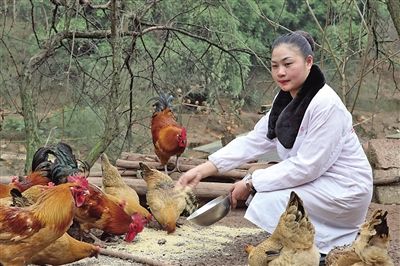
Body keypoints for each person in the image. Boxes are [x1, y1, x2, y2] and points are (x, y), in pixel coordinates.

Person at [177, 31, 373, 256]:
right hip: (320, 181)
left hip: (345, 189)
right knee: (267, 189)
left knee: (270, 196)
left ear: (309, 62)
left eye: (288, 64)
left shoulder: (326, 105)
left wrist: (251, 182)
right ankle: (305, 247)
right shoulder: (286, 99)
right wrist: (205, 168)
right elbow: (256, 139)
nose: (280, 72)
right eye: (274, 66)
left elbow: (307, 166)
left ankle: (314, 251)